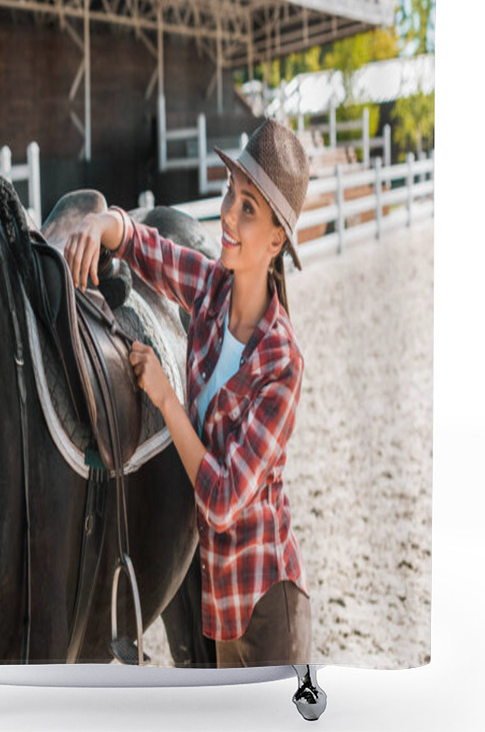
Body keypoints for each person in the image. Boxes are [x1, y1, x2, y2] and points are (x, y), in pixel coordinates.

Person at [63, 118, 311, 667]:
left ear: (276, 240)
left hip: (268, 604)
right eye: (230, 194)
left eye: (249, 207)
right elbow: (149, 249)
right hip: (222, 601)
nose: (227, 213)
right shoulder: (213, 292)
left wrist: (165, 397)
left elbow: (222, 502)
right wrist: (102, 222)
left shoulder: (281, 362)